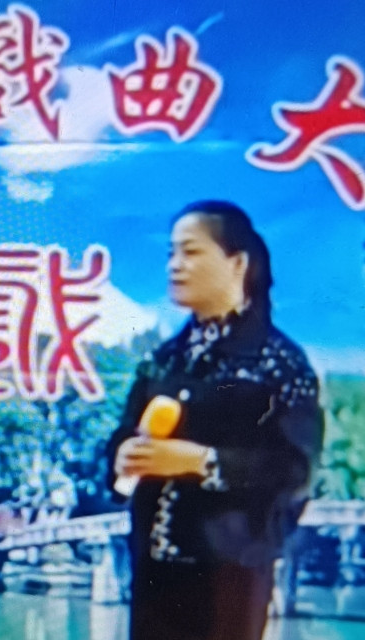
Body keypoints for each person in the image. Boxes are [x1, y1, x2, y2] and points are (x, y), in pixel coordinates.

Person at [106, 201, 324, 640]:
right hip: (155, 565)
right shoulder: (164, 359)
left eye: (190, 252)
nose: (174, 265)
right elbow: (123, 435)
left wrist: (201, 461)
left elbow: (293, 468)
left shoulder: (279, 364)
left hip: (230, 571)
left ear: (237, 263)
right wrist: (123, 455)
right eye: (171, 253)